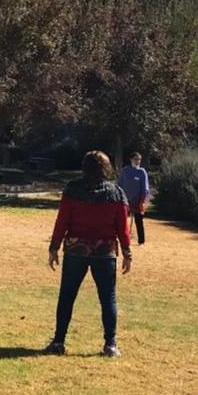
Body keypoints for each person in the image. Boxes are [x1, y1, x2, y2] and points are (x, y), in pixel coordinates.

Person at [46, 150, 132, 358]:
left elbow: (62, 221)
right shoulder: (116, 194)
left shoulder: (73, 190)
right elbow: (123, 228)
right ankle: (110, 344)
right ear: (106, 168)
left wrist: (54, 247)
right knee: (108, 298)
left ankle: (59, 341)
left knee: (67, 295)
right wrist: (127, 252)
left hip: (76, 250)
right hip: (105, 252)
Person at [118, 151, 152, 246]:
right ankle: (123, 238)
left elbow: (145, 188)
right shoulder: (125, 171)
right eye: (136, 159)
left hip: (138, 201)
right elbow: (120, 185)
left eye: (139, 159)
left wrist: (143, 201)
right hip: (125, 200)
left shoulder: (142, 172)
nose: (138, 161)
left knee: (139, 221)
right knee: (122, 220)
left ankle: (141, 241)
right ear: (131, 160)